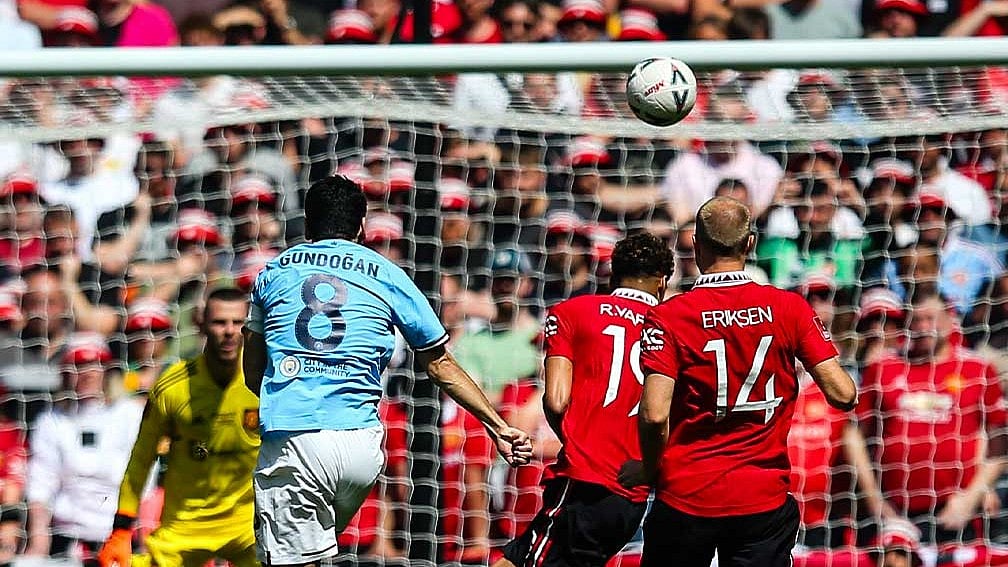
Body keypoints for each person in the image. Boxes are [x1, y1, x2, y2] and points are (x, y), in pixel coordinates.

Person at [241, 175, 533, 566]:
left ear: (307, 225)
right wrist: (498, 427)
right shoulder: (388, 273)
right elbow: (440, 363)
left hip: (296, 439)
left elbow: (251, 369)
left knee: (289, 560)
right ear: (361, 228)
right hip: (362, 450)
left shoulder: (273, 272)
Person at [622, 196, 857, 566]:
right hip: (762, 496)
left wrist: (648, 467)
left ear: (696, 245)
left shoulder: (669, 316)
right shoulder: (789, 307)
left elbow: (653, 414)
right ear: (750, 244)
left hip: (688, 494)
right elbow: (844, 394)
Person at [495, 232, 674, 567]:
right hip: (634, 493)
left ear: (613, 273)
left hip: (584, 482)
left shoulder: (572, 312)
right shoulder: (676, 329)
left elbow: (557, 400)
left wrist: (576, 441)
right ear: (662, 282)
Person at [97, 287, 260, 567]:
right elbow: (141, 459)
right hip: (184, 527)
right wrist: (121, 530)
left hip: (248, 529)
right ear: (200, 325)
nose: (230, 331)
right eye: (219, 322)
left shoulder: (266, 383)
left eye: (238, 322)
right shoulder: (173, 386)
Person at [843, 294, 1008, 545]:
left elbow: (999, 439)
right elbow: (854, 433)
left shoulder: (977, 369)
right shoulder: (884, 368)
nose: (922, 327)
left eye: (930, 318)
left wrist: (972, 496)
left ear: (950, 319)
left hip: (956, 510)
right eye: (916, 320)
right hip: (897, 511)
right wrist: (874, 498)